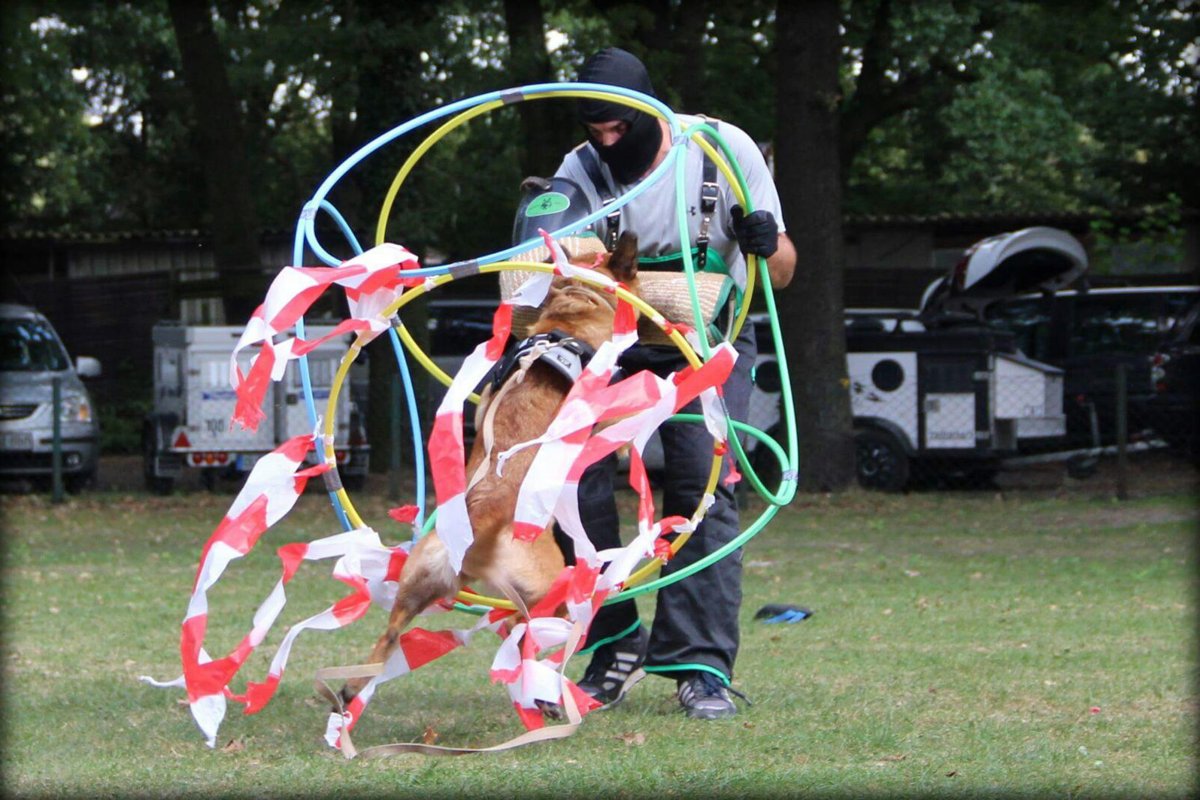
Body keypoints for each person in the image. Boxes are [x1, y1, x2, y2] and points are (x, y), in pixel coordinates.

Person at [546, 47, 796, 720]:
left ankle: (701, 668)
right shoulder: (579, 170)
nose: (604, 139)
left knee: (701, 479)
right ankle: (615, 642)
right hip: (619, 338)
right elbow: (548, 280)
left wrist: (766, 242)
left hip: (708, 338)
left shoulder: (721, 150)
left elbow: (782, 276)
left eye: (617, 128)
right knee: (569, 476)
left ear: (649, 110)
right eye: (593, 128)